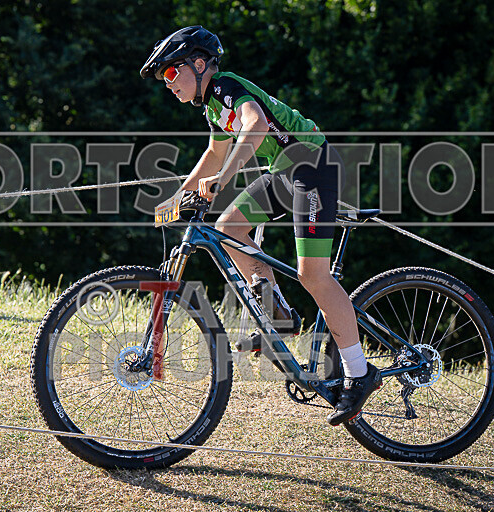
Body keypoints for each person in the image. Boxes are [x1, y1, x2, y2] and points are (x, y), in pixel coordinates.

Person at [140, 26, 380, 425]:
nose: (168, 84)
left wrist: (222, 180)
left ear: (199, 65)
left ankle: (360, 373)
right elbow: (215, 153)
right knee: (229, 226)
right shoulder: (211, 107)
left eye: (170, 73)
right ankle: (279, 314)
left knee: (313, 275)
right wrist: (176, 199)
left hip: (312, 165)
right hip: (284, 172)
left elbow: (256, 127)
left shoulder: (224, 87)